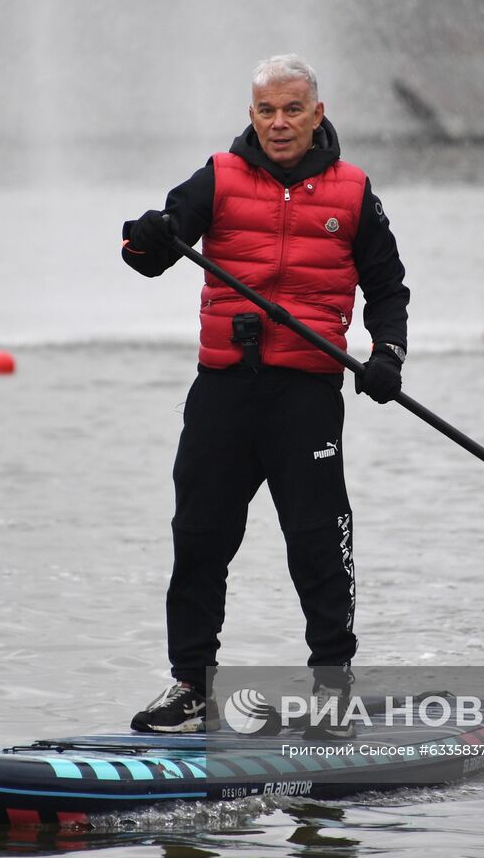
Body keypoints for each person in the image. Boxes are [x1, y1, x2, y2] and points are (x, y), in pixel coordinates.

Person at [120, 54, 411, 737]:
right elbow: (147, 255)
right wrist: (146, 237)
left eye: (291, 110)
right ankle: (191, 687)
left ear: (318, 113)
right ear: (251, 115)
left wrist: (387, 356)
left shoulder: (352, 192)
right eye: (265, 111)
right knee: (199, 538)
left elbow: (388, 287)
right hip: (223, 392)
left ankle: (332, 686)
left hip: (305, 395)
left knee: (316, 542)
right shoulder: (218, 178)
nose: (278, 124)